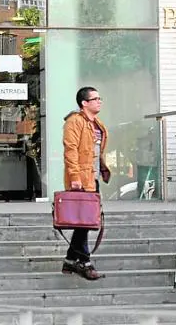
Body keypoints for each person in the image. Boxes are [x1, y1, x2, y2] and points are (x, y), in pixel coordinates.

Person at [61, 86, 111, 280]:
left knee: (84, 222)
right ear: (84, 103)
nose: (100, 101)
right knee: (84, 222)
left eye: (100, 98)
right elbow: (70, 150)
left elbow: (94, 152)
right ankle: (84, 262)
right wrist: (74, 177)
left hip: (93, 179)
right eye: (95, 98)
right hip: (81, 180)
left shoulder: (96, 123)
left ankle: (69, 261)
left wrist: (103, 168)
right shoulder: (74, 122)